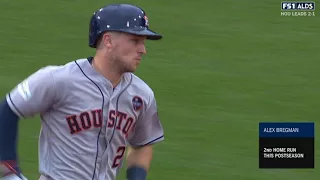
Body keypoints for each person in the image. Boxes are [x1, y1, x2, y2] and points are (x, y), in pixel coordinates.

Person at [0, 3, 164, 180]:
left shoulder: (142, 94)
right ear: (108, 40)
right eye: (135, 41)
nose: (143, 50)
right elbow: (8, 109)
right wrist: (8, 171)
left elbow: (142, 144)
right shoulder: (59, 80)